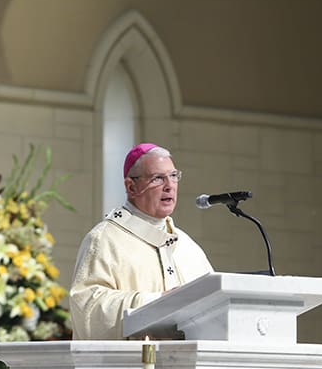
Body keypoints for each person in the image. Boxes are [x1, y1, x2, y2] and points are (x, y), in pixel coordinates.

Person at [70, 143, 214, 339]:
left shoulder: (188, 247)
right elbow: (87, 306)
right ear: (131, 187)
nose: (169, 185)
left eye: (173, 176)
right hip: (132, 366)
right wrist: (155, 302)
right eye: (158, 178)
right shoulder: (104, 239)